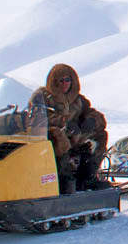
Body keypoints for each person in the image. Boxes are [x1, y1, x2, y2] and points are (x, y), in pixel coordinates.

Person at [30, 63, 110, 194]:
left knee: (100, 135)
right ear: (53, 81)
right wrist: (63, 122)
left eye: (68, 80)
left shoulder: (78, 99)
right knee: (59, 138)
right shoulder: (42, 97)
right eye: (60, 80)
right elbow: (37, 117)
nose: (64, 83)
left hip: (74, 136)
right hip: (49, 136)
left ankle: (87, 177)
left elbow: (92, 112)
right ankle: (64, 179)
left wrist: (92, 120)